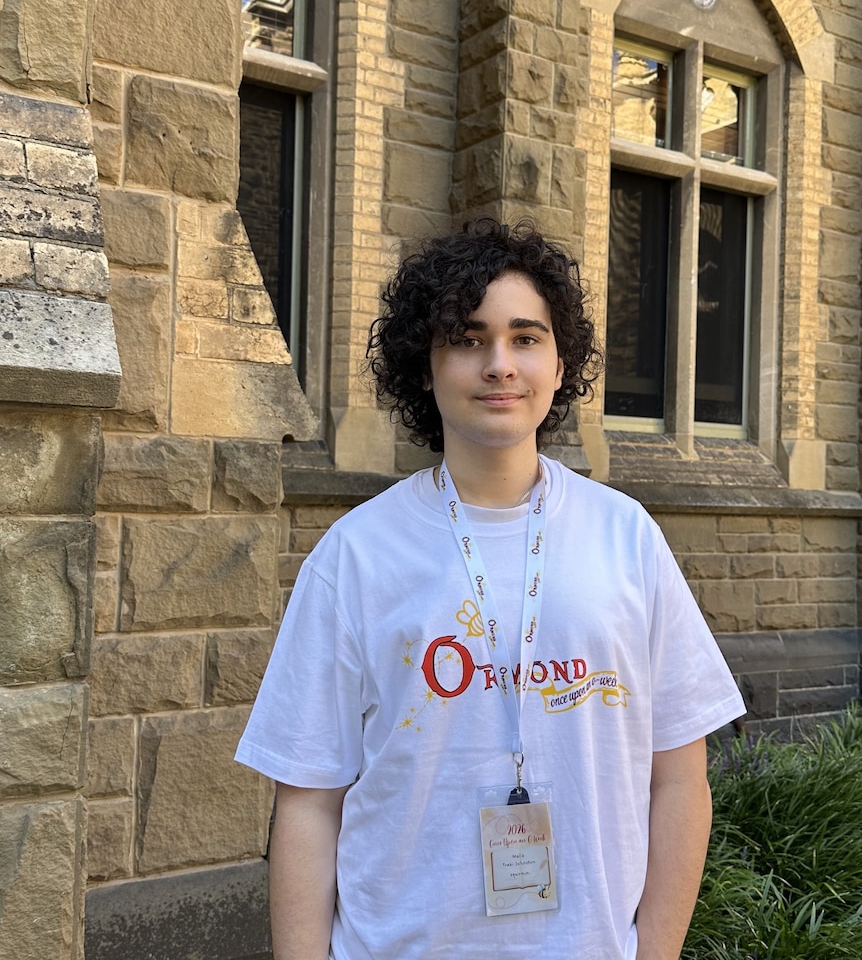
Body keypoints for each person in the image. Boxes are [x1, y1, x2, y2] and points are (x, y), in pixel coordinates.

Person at [236, 217, 745, 960]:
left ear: (560, 360)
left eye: (525, 337)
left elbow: (679, 776)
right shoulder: (354, 557)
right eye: (468, 339)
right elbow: (310, 801)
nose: (499, 363)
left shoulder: (627, 539)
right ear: (425, 365)